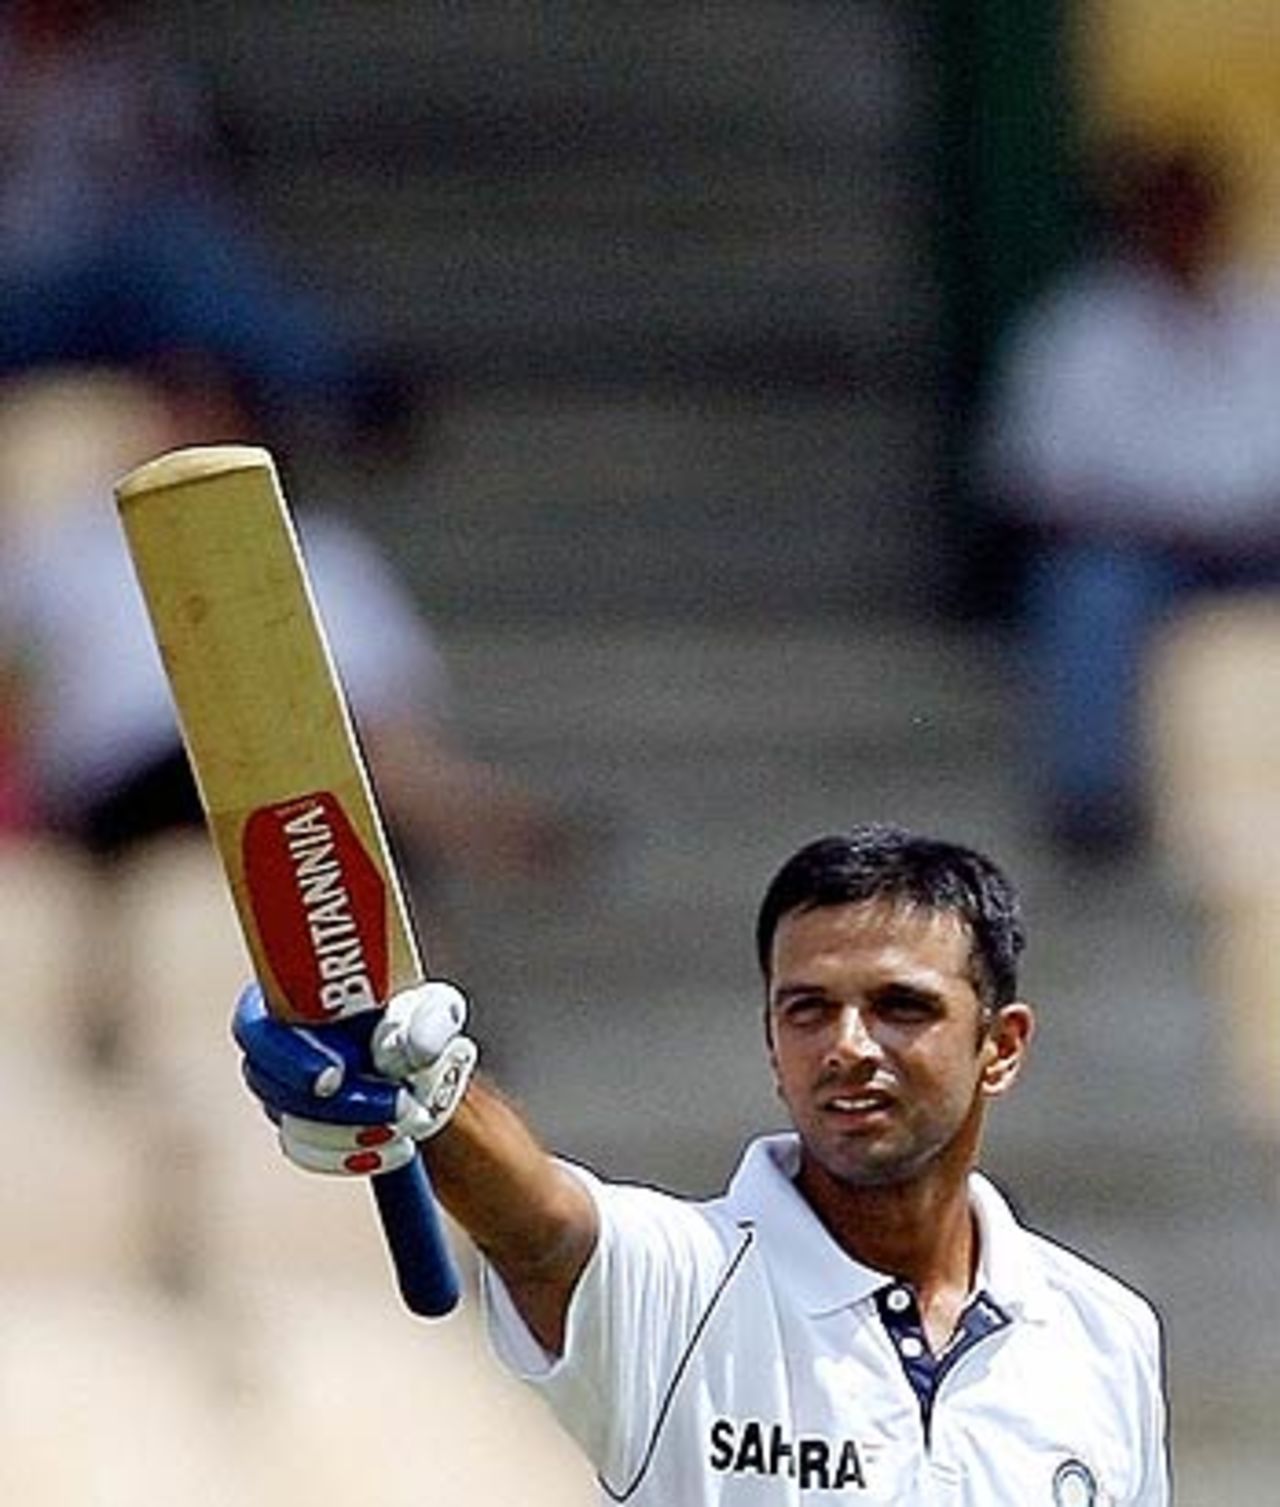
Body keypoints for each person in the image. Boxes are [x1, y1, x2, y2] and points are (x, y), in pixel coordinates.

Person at [233, 822, 1170, 1504]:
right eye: (807, 1009)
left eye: (900, 1006)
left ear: (1000, 1046)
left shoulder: (1104, 1334)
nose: (847, 1045)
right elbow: (545, 1229)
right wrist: (426, 1097)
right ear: (771, 1041)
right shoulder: (684, 1281)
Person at [979, 135, 1280, 859]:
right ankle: (1092, 803)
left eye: (1196, 209)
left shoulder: (1266, 318)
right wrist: (1154, 524)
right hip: (1137, 550)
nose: (1184, 227)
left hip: (1261, 546)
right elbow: (1029, 484)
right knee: (1090, 592)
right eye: (1166, 211)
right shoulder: (1078, 330)